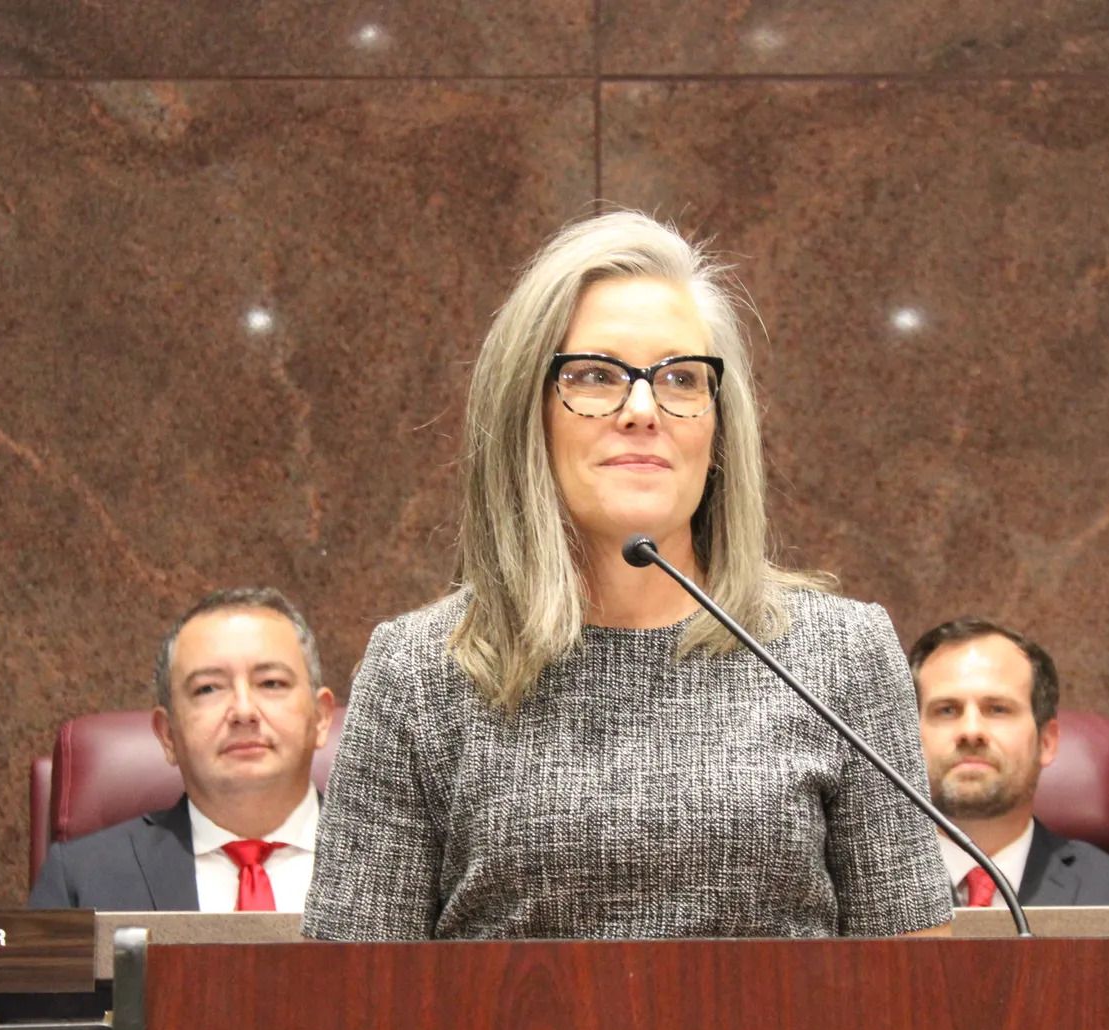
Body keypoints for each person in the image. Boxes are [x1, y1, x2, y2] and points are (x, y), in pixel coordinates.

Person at [303, 210, 951, 940]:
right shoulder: (419, 672)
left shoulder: (843, 656)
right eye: (594, 375)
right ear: (528, 414)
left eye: (680, 377)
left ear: (717, 429)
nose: (643, 409)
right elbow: (353, 1010)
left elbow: (914, 1002)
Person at [30, 587, 336, 912]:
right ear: (167, 735)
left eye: (271, 683)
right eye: (208, 689)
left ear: (320, 718)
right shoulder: (82, 879)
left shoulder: (393, 863)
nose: (244, 711)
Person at [910, 617, 1109, 907]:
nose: (971, 731)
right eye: (947, 710)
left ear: (1047, 742)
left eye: (998, 709)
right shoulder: (856, 902)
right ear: (908, 739)